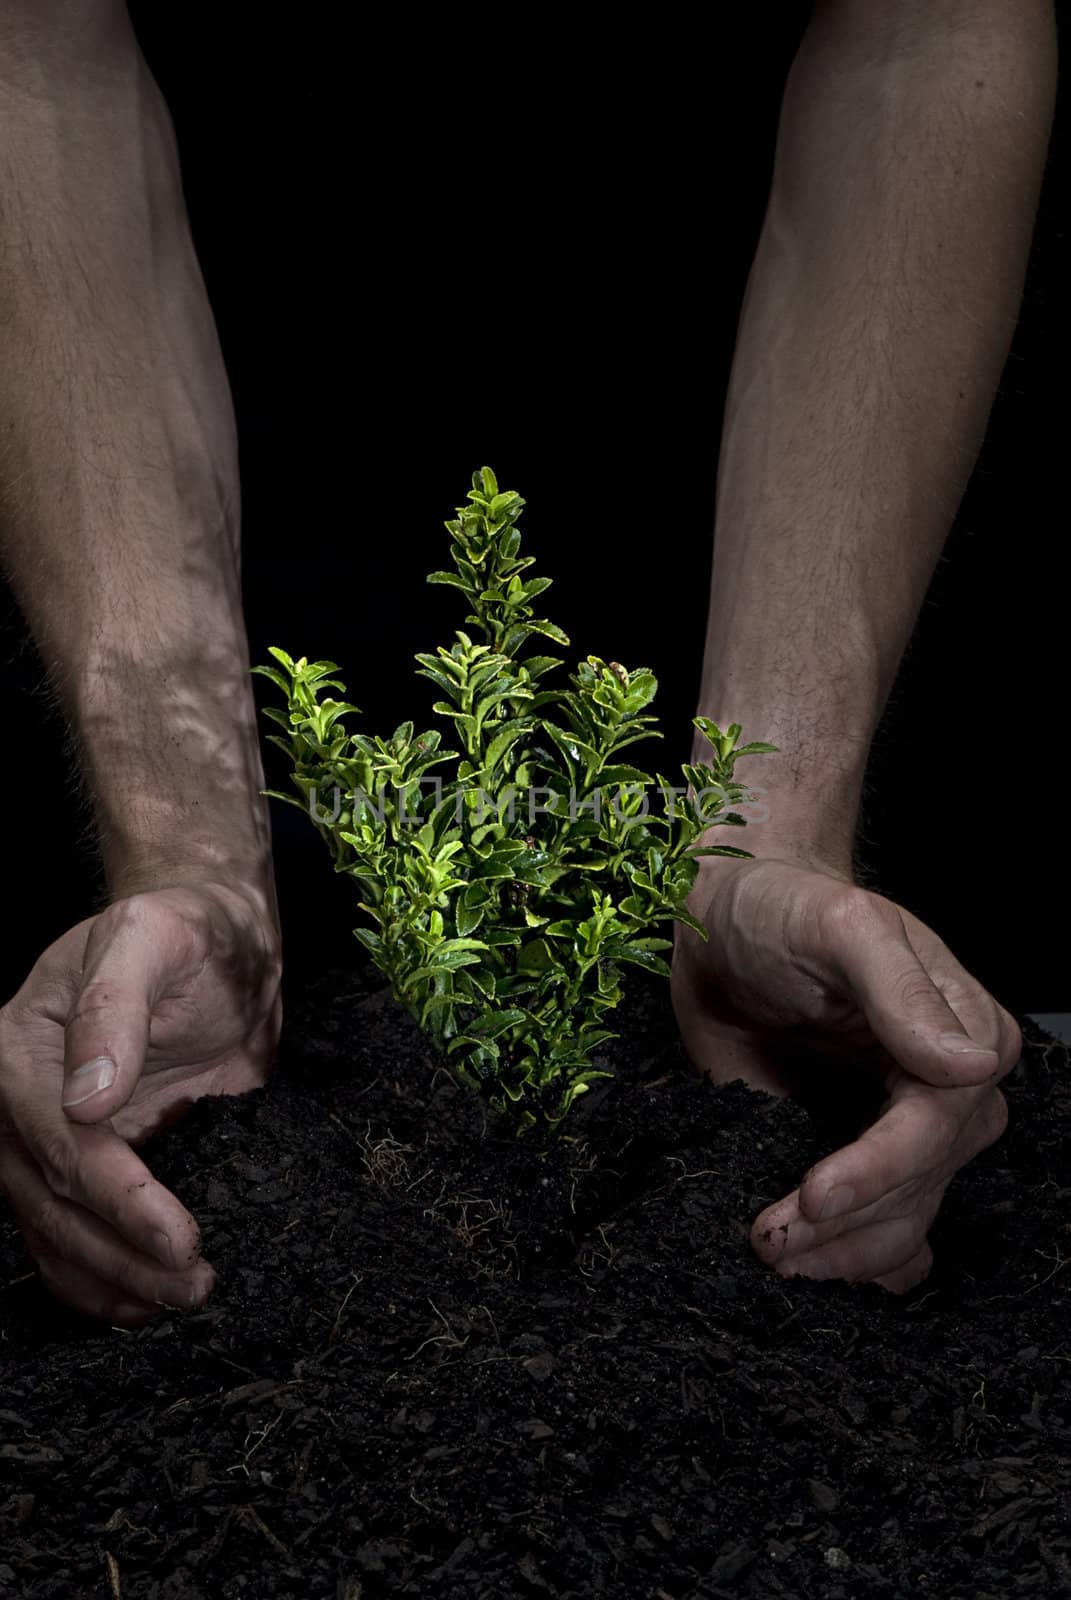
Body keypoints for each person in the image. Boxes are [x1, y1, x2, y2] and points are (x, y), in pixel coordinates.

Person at [0, 0, 1056, 1322]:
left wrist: (770, 828)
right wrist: (180, 844)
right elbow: (36, 57)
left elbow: (923, 35)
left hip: (730, 424)